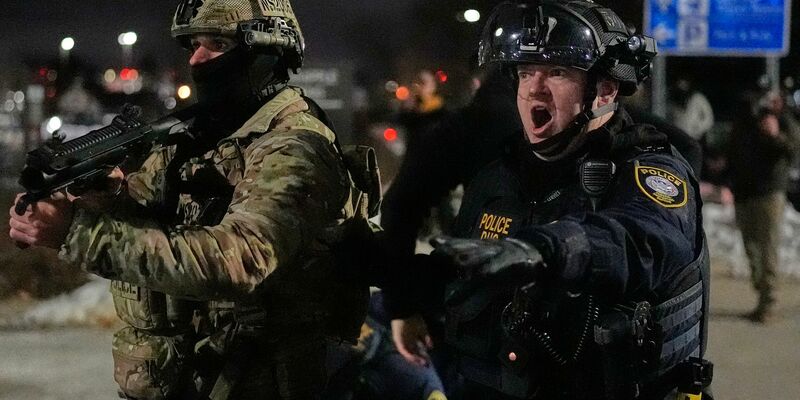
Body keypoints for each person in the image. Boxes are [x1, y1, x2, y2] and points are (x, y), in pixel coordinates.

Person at [8, 0, 373, 399]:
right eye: (193, 44)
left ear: (267, 51)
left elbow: (239, 260)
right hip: (183, 380)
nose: (197, 59)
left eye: (216, 43)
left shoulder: (295, 147)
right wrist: (108, 199)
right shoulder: (198, 136)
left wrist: (77, 233)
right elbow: (160, 229)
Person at [389, 1, 712, 399]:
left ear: (606, 89)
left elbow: (641, 240)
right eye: (526, 73)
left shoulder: (650, 171)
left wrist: (548, 249)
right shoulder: (499, 176)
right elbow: (467, 278)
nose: (533, 89)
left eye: (557, 72)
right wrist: (392, 282)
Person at [727, 90, 800, 323]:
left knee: (768, 246)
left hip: (769, 192)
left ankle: (769, 301)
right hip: (745, 191)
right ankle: (762, 292)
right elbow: (734, 152)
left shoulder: (782, 119)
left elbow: (791, 148)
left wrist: (775, 133)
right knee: (751, 248)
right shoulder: (744, 121)